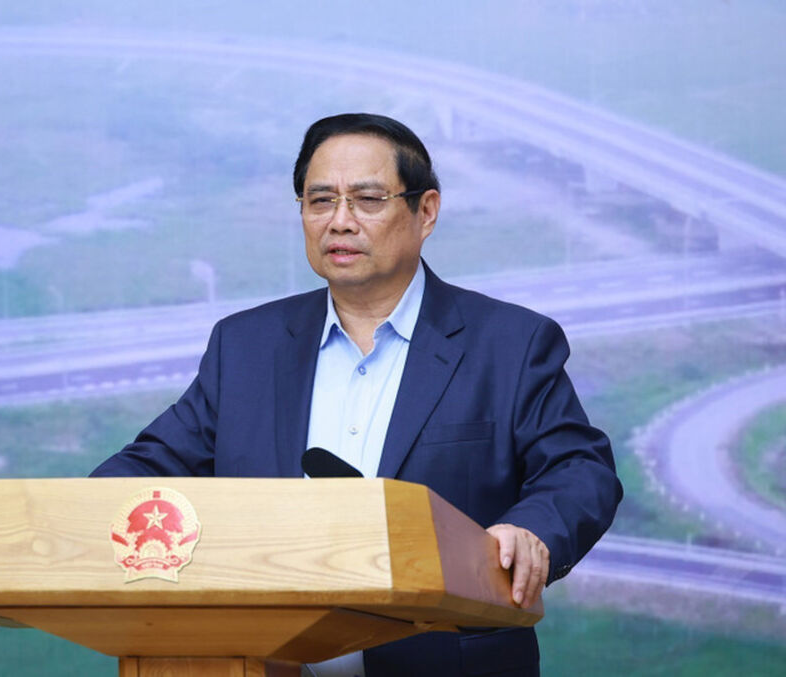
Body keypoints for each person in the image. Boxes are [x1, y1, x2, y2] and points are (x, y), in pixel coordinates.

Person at [91, 113, 622, 676]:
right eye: (320, 201)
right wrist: (79, 519)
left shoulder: (509, 343)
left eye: (367, 200)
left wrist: (532, 532)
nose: (340, 222)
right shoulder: (245, 346)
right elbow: (146, 469)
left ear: (426, 211)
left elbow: (579, 469)